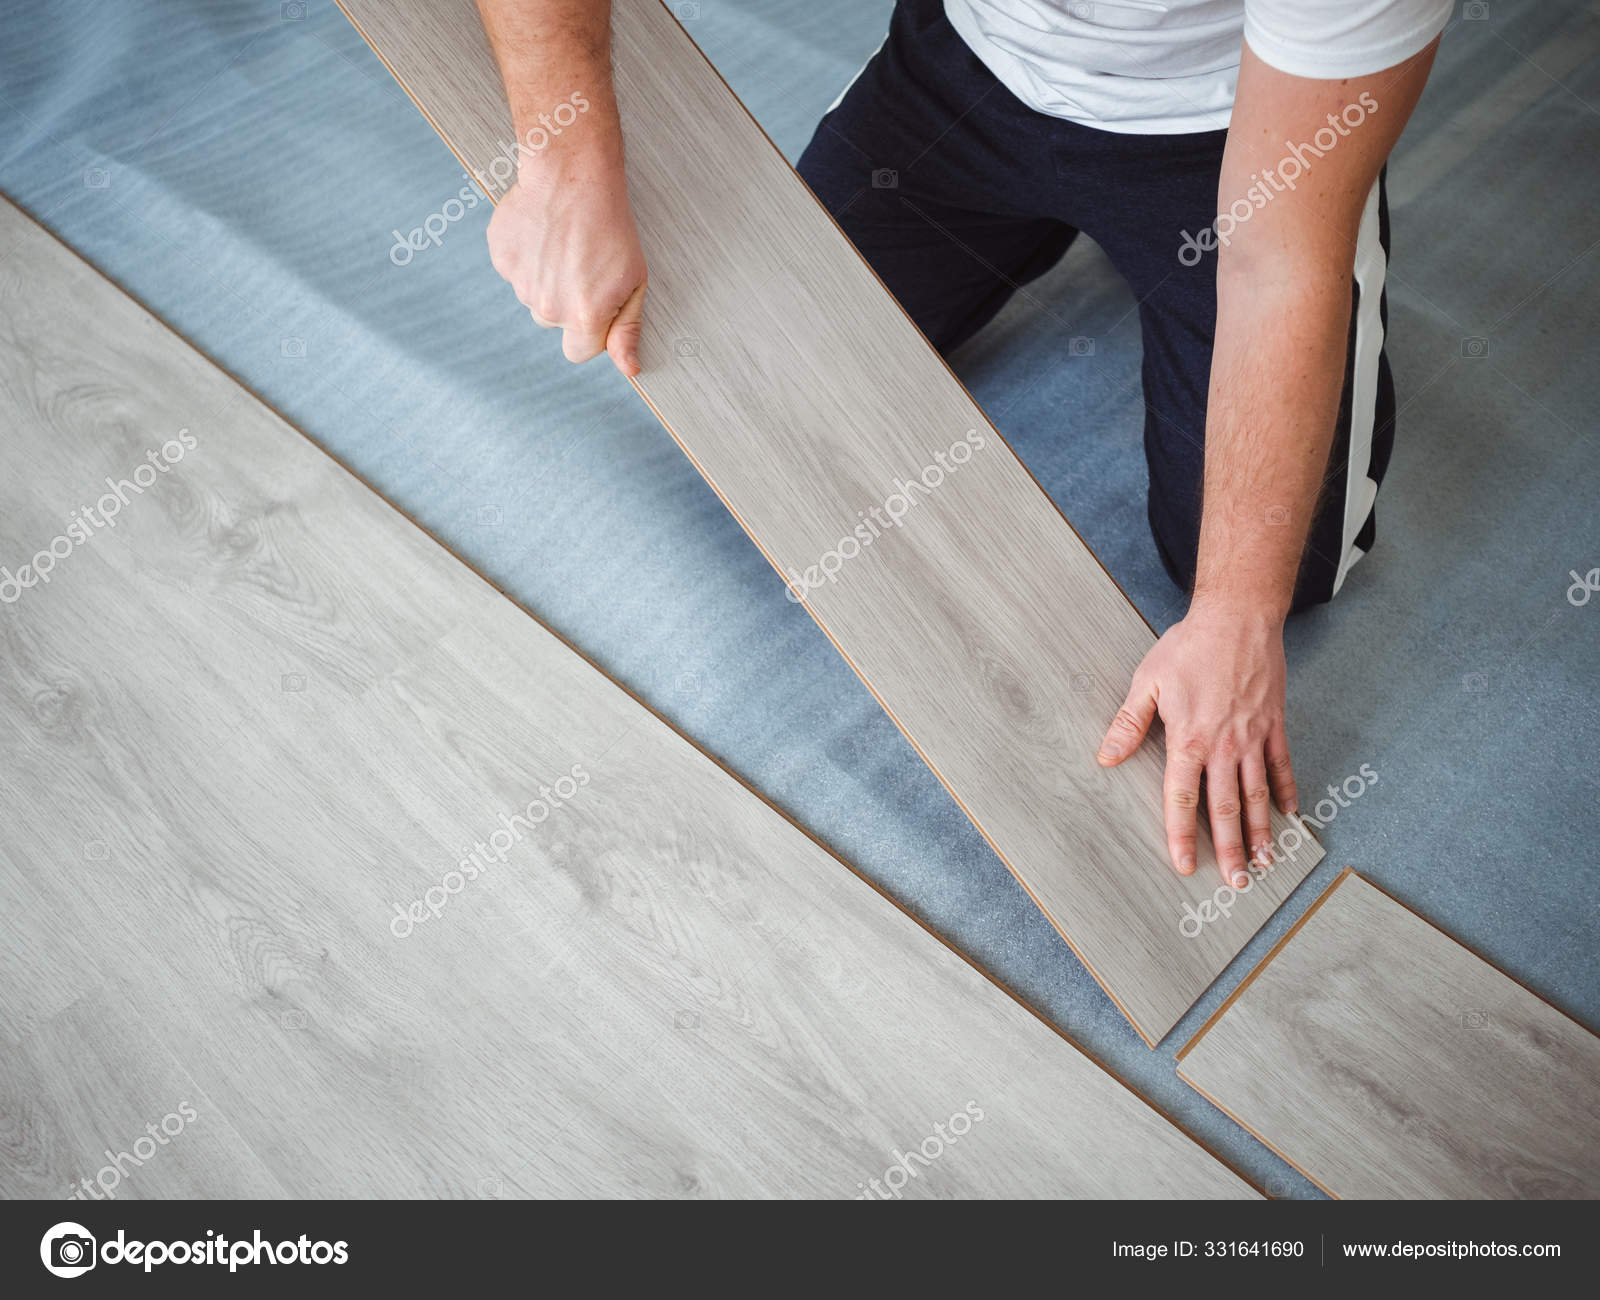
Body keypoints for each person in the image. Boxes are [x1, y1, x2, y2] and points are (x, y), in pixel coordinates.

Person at [474, 0, 1448, 889]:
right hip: (967, 73)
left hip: (1232, 128)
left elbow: (1279, 263)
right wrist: (567, 163)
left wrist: (1237, 612)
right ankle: (1024, 214)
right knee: (752, 374)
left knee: (1278, 567)